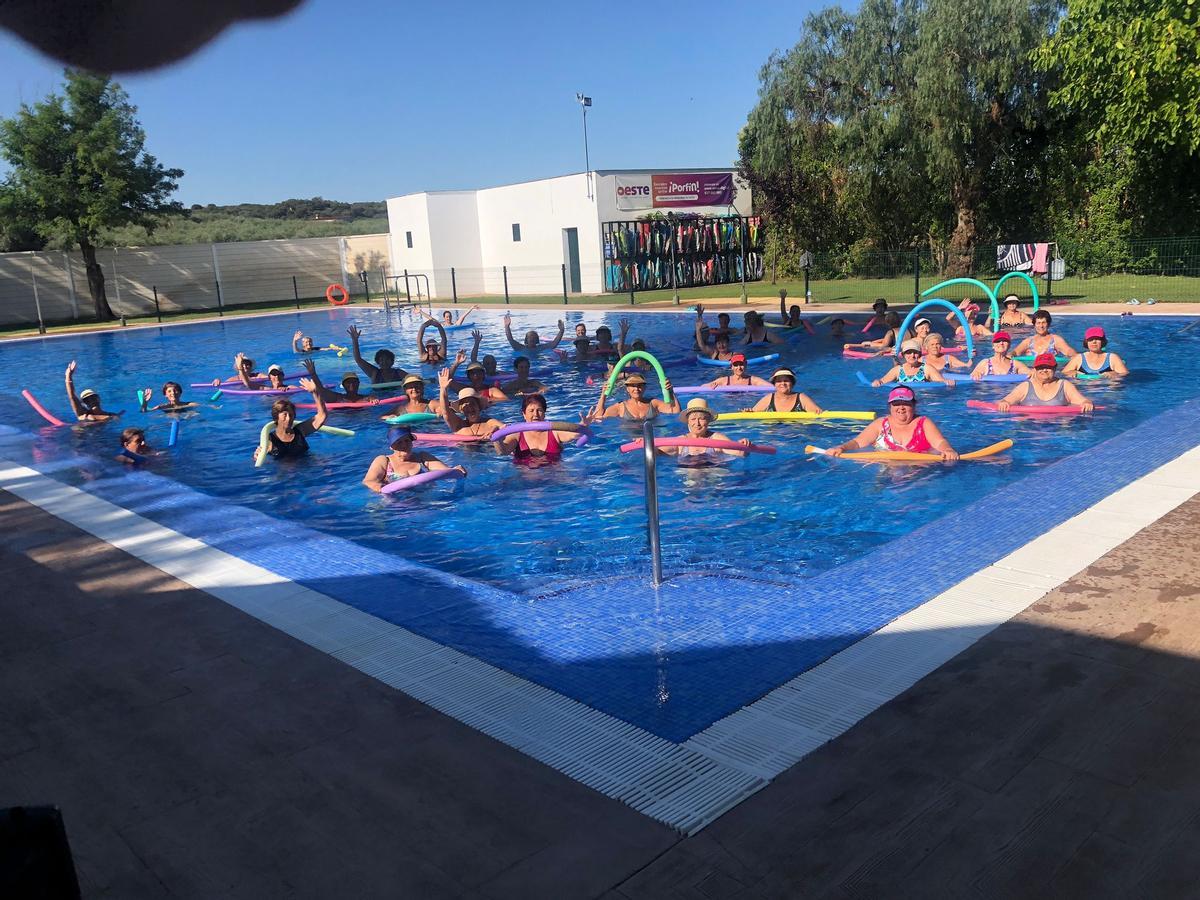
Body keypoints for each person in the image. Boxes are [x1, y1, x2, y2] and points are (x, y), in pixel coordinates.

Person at [827, 386, 958, 461]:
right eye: (896, 403)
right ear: (890, 406)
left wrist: (948, 450)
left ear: (914, 405)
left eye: (906, 403)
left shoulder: (924, 423)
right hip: (886, 474)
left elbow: (939, 442)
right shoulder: (880, 424)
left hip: (922, 473)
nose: (901, 407)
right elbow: (857, 442)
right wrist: (841, 448)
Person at [361, 425, 466, 492]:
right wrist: (382, 489)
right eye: (399, 442)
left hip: (426, 499)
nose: (404, 445)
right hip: (396, 503)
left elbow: (445, 471)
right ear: (391, 446)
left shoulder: (423, 457)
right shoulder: (384, 461)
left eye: (407, 441)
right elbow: (369, 481)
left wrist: (456, 470)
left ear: (412, 443)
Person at [657, 397, 750, 465]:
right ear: (688, 421)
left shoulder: (716, 439)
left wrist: (743, 445)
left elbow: (739, 453)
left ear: (708, 420)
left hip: (714, 477)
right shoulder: (681, 442)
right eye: (693, 419)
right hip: (688, 479)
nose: (697, 423)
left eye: (701, 419)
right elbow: (657, 452)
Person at [496, 394, 583, 464]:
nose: (535, 414)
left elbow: (575, 434)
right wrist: (498, 439)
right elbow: (502, 452)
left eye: (539, 410)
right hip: (525, 477)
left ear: (544, 413)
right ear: (524, 414)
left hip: (554, 475)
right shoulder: (517, 434)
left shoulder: (554, 432)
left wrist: (584, 424)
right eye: (531, 411)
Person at [257, 377, 327, 460]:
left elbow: (322, 416)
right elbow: (259, 457)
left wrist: (315, 392)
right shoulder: (269, 439)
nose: (288, 418)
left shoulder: (300, 431)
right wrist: (258, 455)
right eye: (285, 415)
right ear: (276, 417)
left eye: (291, 415)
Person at [996, 353, 1094, 412]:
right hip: (1029, 428)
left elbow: (1083, 401)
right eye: (1040, 367)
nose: (1044, 370)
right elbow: (1005, 401)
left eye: (1048, 367)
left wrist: (1087, 403)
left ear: (1055, 368)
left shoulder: (1064, 385)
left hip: (1058, 427)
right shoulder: (1025, 386)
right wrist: (1004, 403)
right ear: (1035, 369)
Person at [437, 368, 504, 438]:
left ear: (479, 406)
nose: (470, 408)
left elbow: (506, 429)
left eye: (472, 404)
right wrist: (443, 389)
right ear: (461, 409)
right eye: (465, 405)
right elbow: (445, 412)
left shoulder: (490, 423)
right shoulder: (458, 425)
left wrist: (496, 429)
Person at [592, 372, 678, 421]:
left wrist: (670, 391)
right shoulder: (620, 407)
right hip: (630, 441)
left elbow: (675, 411)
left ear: (644, 387)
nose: (636, 388)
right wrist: (603, 394)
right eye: (632, 385)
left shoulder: (653, 403)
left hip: (652, 437)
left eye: (639, 385)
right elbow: (598, 417)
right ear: (627, 389)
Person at [870, 339, 950, 386]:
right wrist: (877, 382)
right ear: (903, 355)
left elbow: (941, 381)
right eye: (908, 352)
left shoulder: (927, 369)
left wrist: (947, 382)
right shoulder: (898, 370)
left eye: (915, 352)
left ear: (919, 354)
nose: (912, 355)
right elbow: (882, 381)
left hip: (922, 400)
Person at [300, 359, 378, 405]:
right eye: (348, 382)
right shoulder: (337, 398)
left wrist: (373, 398)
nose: (351, 384)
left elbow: (373, 398)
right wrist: (313, 374)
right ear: (343, 385)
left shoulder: (366, 398)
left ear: (358, 384)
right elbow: (321, 389)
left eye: (354, 382)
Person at [1062, 326, 1129, 377]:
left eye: (1097, 339)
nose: (1094, 342)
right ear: (1086, 342)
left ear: (1103, 341)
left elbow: (1125, 373)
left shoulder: (1112, 358)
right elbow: (1064, 373)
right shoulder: (1079, 358)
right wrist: (1072, 372)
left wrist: (1115, 373)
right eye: (1091, 339)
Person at [748, 368, 822, 413]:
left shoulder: (801, 398)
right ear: (774, 384)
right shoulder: (769, 399)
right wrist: (748, 411)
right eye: (779, 381)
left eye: (786, 381)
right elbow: (752, 413)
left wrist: (818, 412)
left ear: (792, 383)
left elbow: (818, 413)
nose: (783, 383)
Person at [1013, 310, 1078, 359]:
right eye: (1038, 323)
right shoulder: (1028, 341)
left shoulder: (1056, 340)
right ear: (1034, 325)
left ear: (1048, 324)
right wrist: (1010, 355)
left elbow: (1069, 351)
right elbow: (1015, 352)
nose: (1041, 326)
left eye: (1044, 322)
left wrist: (1074, 356)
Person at [703, 353, 772, 388]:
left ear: (746, 364)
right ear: (732, 367)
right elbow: (702, 387)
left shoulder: (753, 380)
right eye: (736, 365)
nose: (739, 368)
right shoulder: (723, 381)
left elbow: (771, 387)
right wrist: (711, 387)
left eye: (741, 364)